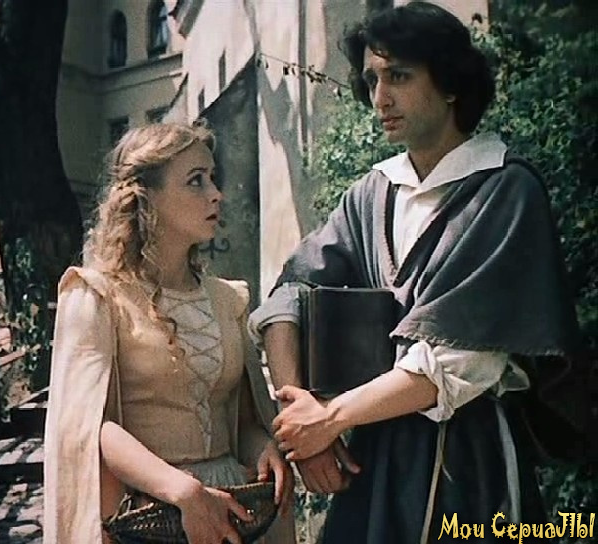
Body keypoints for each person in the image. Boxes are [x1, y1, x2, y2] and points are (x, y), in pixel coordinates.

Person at [249, 3, 580, 543]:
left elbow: (461, 358)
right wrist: (299, 423)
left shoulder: (505, 191)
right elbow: (289, 296)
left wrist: (328, 421)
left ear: (450, 84)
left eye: (398, 76)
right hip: (372, 460)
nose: (380, 98)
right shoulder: (370, 196)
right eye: (371, 81)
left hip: (469, 467)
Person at [43, 123, 295, 544]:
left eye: (212, 178)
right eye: (196, 181)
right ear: (147, 197)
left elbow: (241, 418)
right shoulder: (98, 296)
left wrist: (263, 449)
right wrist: (181, 490)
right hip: (150, 513)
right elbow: (88, 426)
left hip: (232, 507)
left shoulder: (228, 300)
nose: (216, 194)